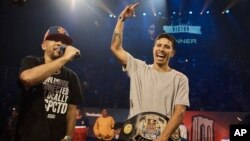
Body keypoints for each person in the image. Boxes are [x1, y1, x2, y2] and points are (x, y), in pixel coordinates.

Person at [110, 3, 190, 141]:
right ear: (153, 48)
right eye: (158, 45)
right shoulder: (138, 68)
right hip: (134, 136)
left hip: (164, 137)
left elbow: (180, 112)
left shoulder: (180, 78)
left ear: (173, 53)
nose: (161, 49)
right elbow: (115, 48)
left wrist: (162, 138)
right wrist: (121, 18)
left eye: (167, 47)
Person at [15, 26, 84, 141]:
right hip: (29, 136)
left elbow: (72, 110)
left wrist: (68, 137)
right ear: (43, 45)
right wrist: (65, 58)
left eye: (64, 42)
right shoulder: (31, 61)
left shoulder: (72, 77)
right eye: (54, 39)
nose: (59, 43)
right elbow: (27, 79)